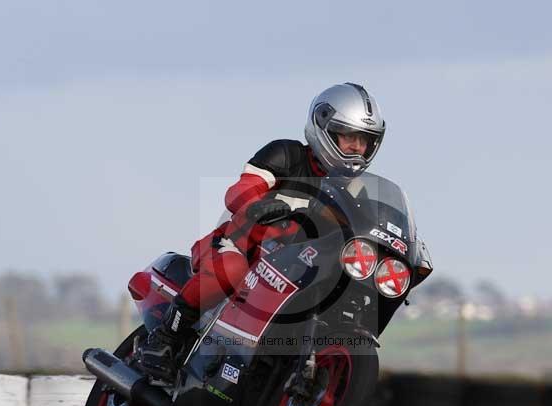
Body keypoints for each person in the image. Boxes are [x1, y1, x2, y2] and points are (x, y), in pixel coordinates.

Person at [137, 82, 386, 384]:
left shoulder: (356, 191)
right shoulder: (286, 154)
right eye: (350, 137)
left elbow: (365, 233)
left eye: (365, 141)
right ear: (324, 128)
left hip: (293, 271)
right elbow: (241, 189)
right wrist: (256, 204)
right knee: (231, 270)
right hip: (239, 245)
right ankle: (164, 338)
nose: (358, 149)